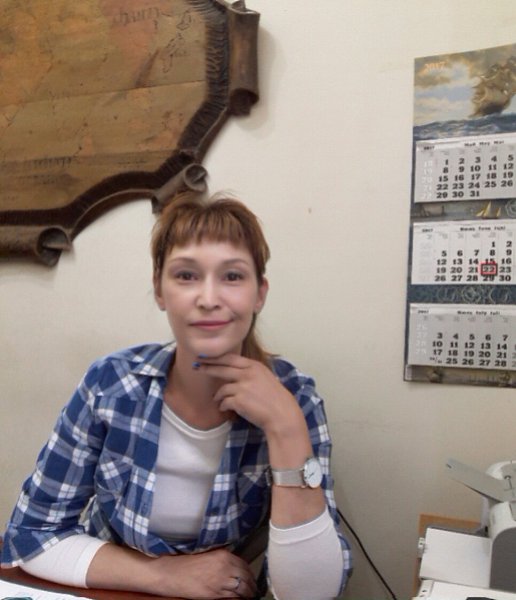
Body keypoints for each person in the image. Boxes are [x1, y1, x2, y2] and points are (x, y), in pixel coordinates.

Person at [1, 192, 352, 599]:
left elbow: (310, 594)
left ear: (260, 293)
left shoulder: (296, 398)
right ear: (159, 290)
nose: (209, 299)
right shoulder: (111, 384)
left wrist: (286, 429)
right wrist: (165, 575)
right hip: (115, 587)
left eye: (232, 276)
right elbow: (31, 534)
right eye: (186, 275)